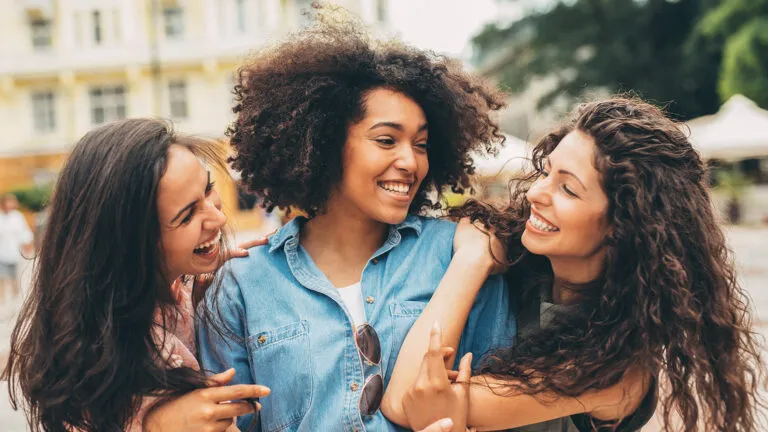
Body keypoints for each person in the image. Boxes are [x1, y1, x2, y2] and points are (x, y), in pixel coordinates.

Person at [196, 6, 516, 431]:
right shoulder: (241, 285)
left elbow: (499, 404)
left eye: (420, 144)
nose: (409, 161)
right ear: (325, 142)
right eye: (386, 140)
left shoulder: (462, 256)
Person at [383, 97, 764, 432]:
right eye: (546, 172)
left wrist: (471, 259)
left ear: (625, 227)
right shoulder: (521, 260)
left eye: (567, 188)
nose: (534, 192)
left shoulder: (617, 370)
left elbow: (406, 401)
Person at [3, 118, 270, 432]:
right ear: (130, 244)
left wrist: (198, 289)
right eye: (187, 215)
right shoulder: (126, 349)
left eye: (208, 188)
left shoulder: (164, 291)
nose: (218, 216)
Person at [0, 193, 34, 300]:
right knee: (2, 279)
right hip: (1, 253)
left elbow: (24, 232)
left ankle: (15, 299)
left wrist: (27, 244)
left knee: (15, 278)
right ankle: (2, 300)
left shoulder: (18, 217)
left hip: (15, 252)